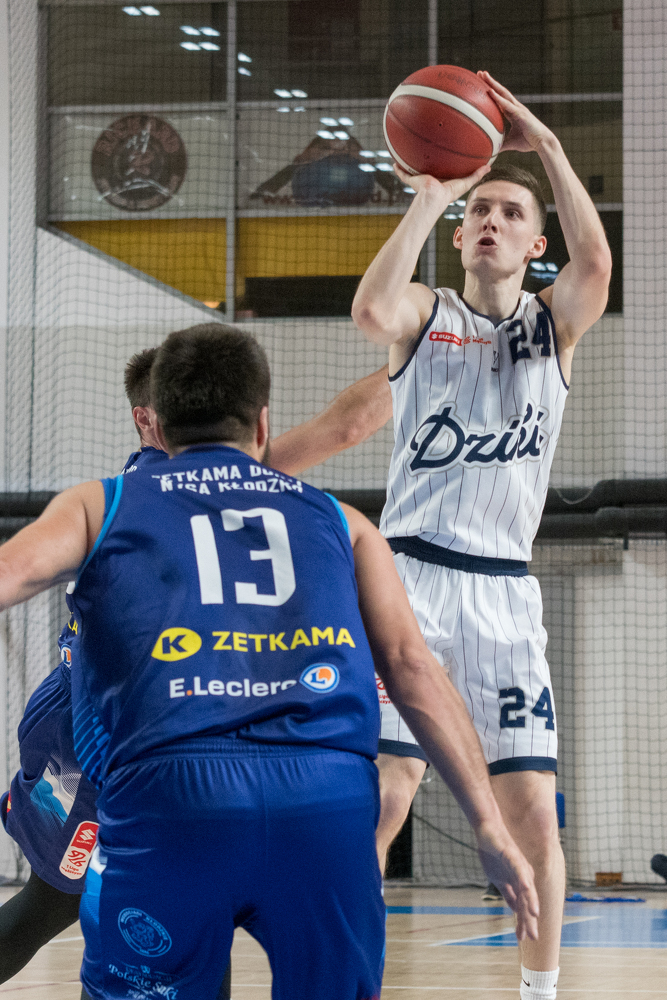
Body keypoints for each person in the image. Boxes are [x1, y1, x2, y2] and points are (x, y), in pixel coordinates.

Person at [0, 322, 538, 999]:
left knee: (93, 914)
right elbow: (411, 664)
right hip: (252, 770)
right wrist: (438, 359)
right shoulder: (330, 515)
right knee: (50, 905)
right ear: (260, 424)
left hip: (165, 763)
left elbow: (11, 573)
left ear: (159, 420)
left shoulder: (104, 502)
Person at [351, 71, 612, 1000]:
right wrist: (431, 196)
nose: (491, 221)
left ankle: (540, 995)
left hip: (503, 592)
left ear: (535, 244)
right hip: (410, 583)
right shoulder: (427, 316)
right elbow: (370, 310)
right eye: (480, 212)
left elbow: (596, 267)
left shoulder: (553, 328)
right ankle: (345, 980)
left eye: (510, 213)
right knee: (383, 796)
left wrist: (549, 147)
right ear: (462, 237)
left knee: (533, 815)